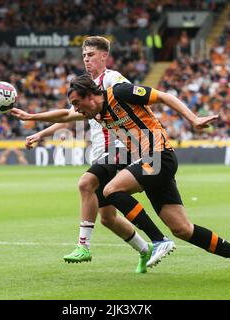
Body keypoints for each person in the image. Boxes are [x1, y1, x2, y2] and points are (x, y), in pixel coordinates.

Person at [22, 74, 230, 284]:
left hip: (160, 156)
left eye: (78, 103)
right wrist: (33, 121)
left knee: (111, 190)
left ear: (90, 95)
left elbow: (165, 96)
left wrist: (193, 119)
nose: (77, 109)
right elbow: (66, 116)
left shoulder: (120, 92)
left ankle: (158, 240)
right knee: (183, 229)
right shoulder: (96, 113)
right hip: (148, 163)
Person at [12, 36, 175, 273]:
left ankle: (84, 245)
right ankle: (144, 249)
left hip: (119, 150)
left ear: (103, 56)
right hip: (101, 153)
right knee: (107, 217)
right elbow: (68, 117)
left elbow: (136, 101)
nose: (86, 60)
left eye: (90, 55)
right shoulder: (86, 89)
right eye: (84, 56)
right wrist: (41, 133)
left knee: (86, 183)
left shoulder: (112, 79)